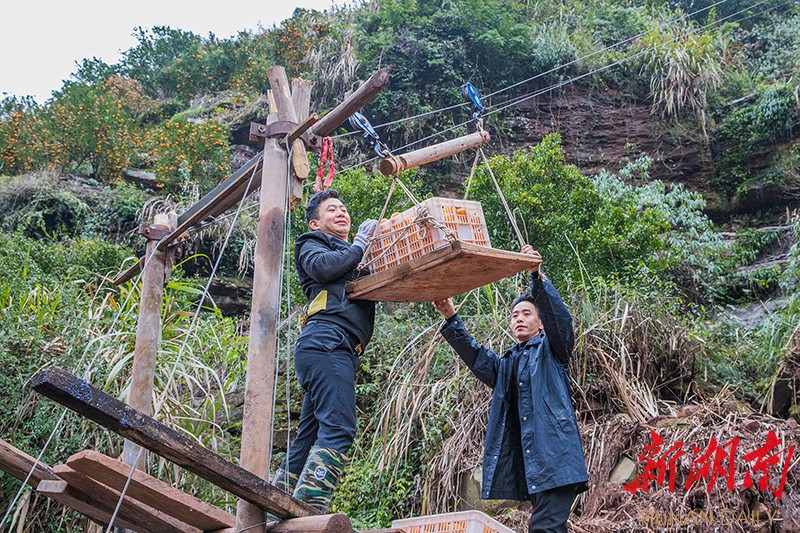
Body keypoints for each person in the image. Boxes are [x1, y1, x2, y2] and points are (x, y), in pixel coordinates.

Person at [432, 246, 588, 533]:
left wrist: (536, 276)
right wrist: (451, 317)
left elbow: (561, 322)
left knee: (543, 527)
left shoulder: (553, 350)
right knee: (550, 527)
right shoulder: (509, 363)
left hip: (558, 460)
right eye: (514, 314)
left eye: (526, 314)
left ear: (541, 324)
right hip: (537, 466)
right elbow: (478, 358)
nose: (518, 318)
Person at [273, 189, 377, 512]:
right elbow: (321, 268)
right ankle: (310, 505)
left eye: (344, 208)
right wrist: (360, 244)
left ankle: (277, 500)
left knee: (312, 431)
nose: (341, 212)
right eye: (332, 209)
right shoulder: (311, 244)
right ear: (316, 223)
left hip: (334, 347)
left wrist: (366, 251)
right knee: (339, 427)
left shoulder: (354, 257)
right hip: (327, 340)